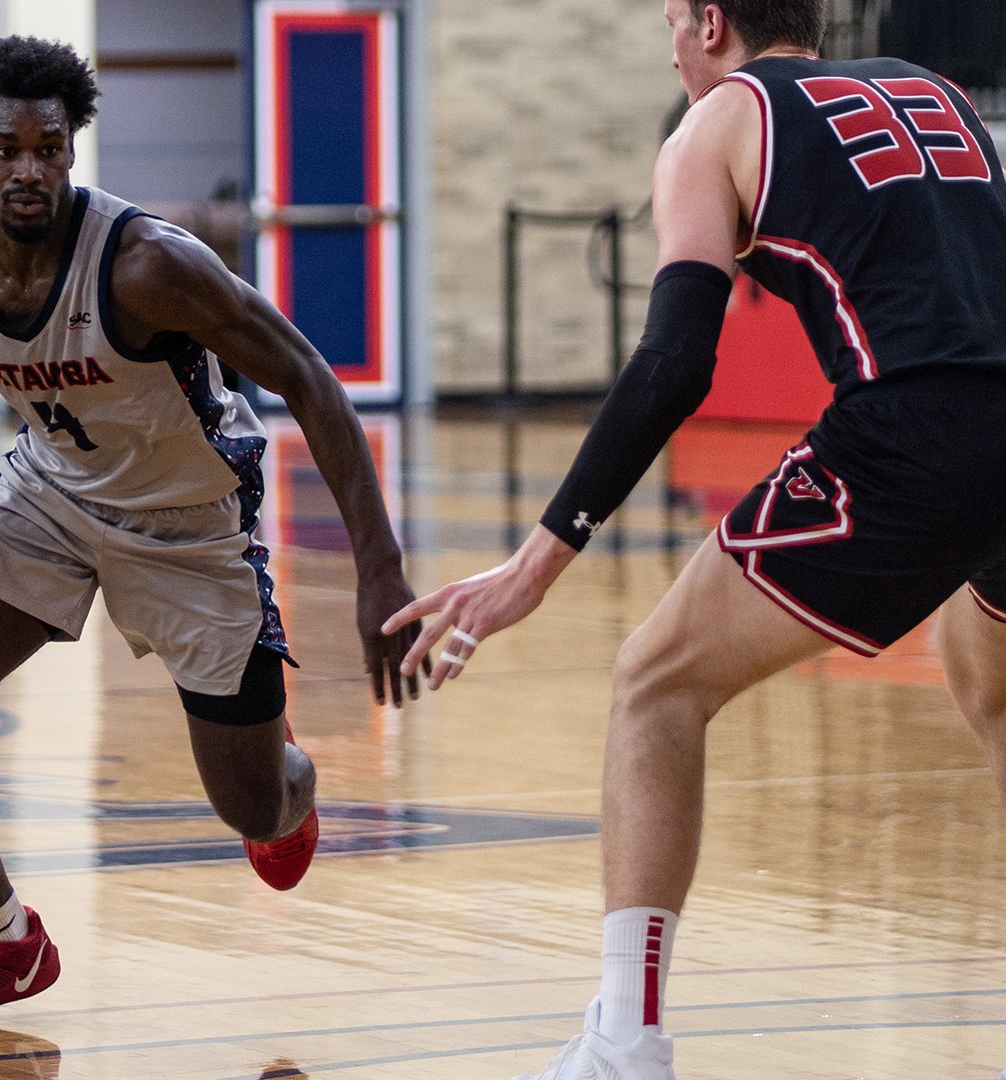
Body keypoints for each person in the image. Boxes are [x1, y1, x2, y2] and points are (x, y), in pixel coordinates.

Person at [383, 2, 1006, 1077]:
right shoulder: (936, 92)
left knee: (655, 684)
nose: (671, 48)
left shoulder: (721, 120)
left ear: (710, 23)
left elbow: (676, 363)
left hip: (913, 434)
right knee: (992, 691)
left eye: (672, 22)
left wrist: (540, 560)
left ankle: (626, 1043)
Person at [0, 36, 427, 1028]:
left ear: (73, 149)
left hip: (190, 518)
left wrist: (382, 576)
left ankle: (289, 773)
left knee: (255, 811)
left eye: (50, 146)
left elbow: (312, 381)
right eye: (5, 148)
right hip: (51, 496)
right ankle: (3, 945)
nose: (29, 168)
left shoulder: (149, 266)